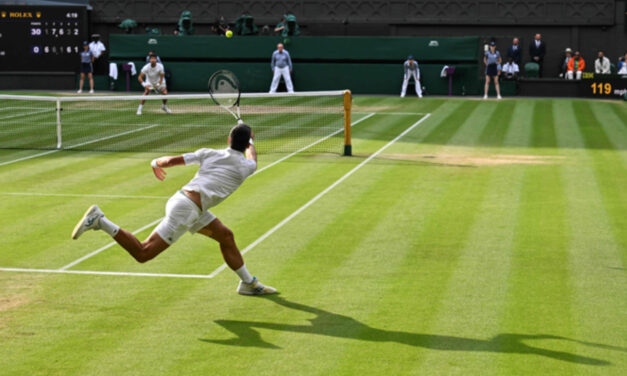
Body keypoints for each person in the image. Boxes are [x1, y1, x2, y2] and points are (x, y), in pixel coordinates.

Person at [71, 124, 277, 296]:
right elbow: (252, 156)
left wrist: (154, 162)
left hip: (187, 204)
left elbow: (168, 161)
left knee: (226, 236)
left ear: (227, 139)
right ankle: (100, 221)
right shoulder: (247, 167)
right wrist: (250, 140)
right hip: (186, 212)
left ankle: (247, 283)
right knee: (143, 253)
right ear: (245, 143)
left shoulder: (208, 153)